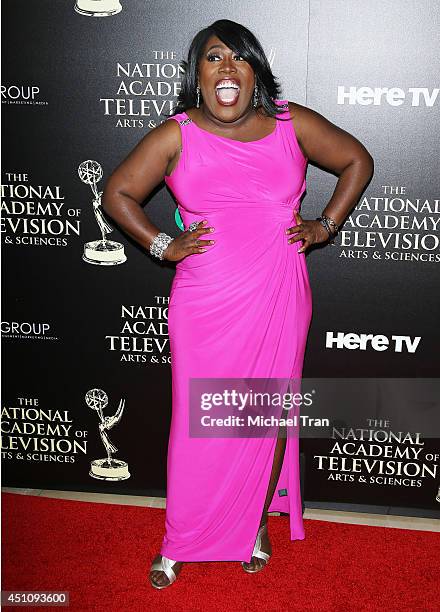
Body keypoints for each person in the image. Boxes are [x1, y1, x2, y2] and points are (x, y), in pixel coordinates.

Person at [102, 19, 374, 590]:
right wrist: (161, 245)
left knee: (266, 413)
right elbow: (118, 193)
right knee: (197, 419)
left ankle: (253, 523)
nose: (226, 68)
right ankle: (181, 537)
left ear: (255, 72)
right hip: (205, 296)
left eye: (238, 58)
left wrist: (325, 225)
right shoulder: (175, 134)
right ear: (196, 74)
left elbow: (357, 160)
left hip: (278, 288)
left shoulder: (289, 122)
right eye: (213, 58)